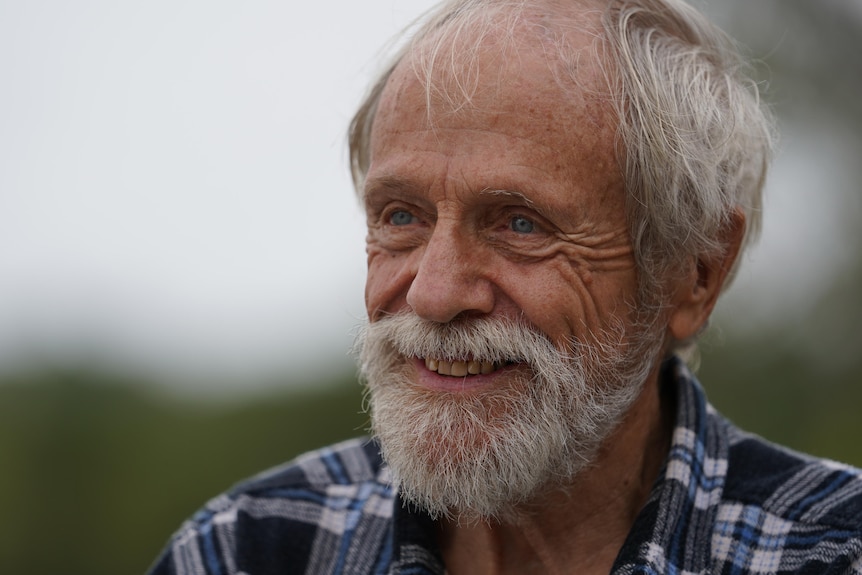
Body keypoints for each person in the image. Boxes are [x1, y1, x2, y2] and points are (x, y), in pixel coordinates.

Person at [148, 0, 862, 573]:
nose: (433, 293)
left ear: (695, 271)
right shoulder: (251, 548)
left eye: (520, 224)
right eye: (400, 216)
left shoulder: (831, 551)